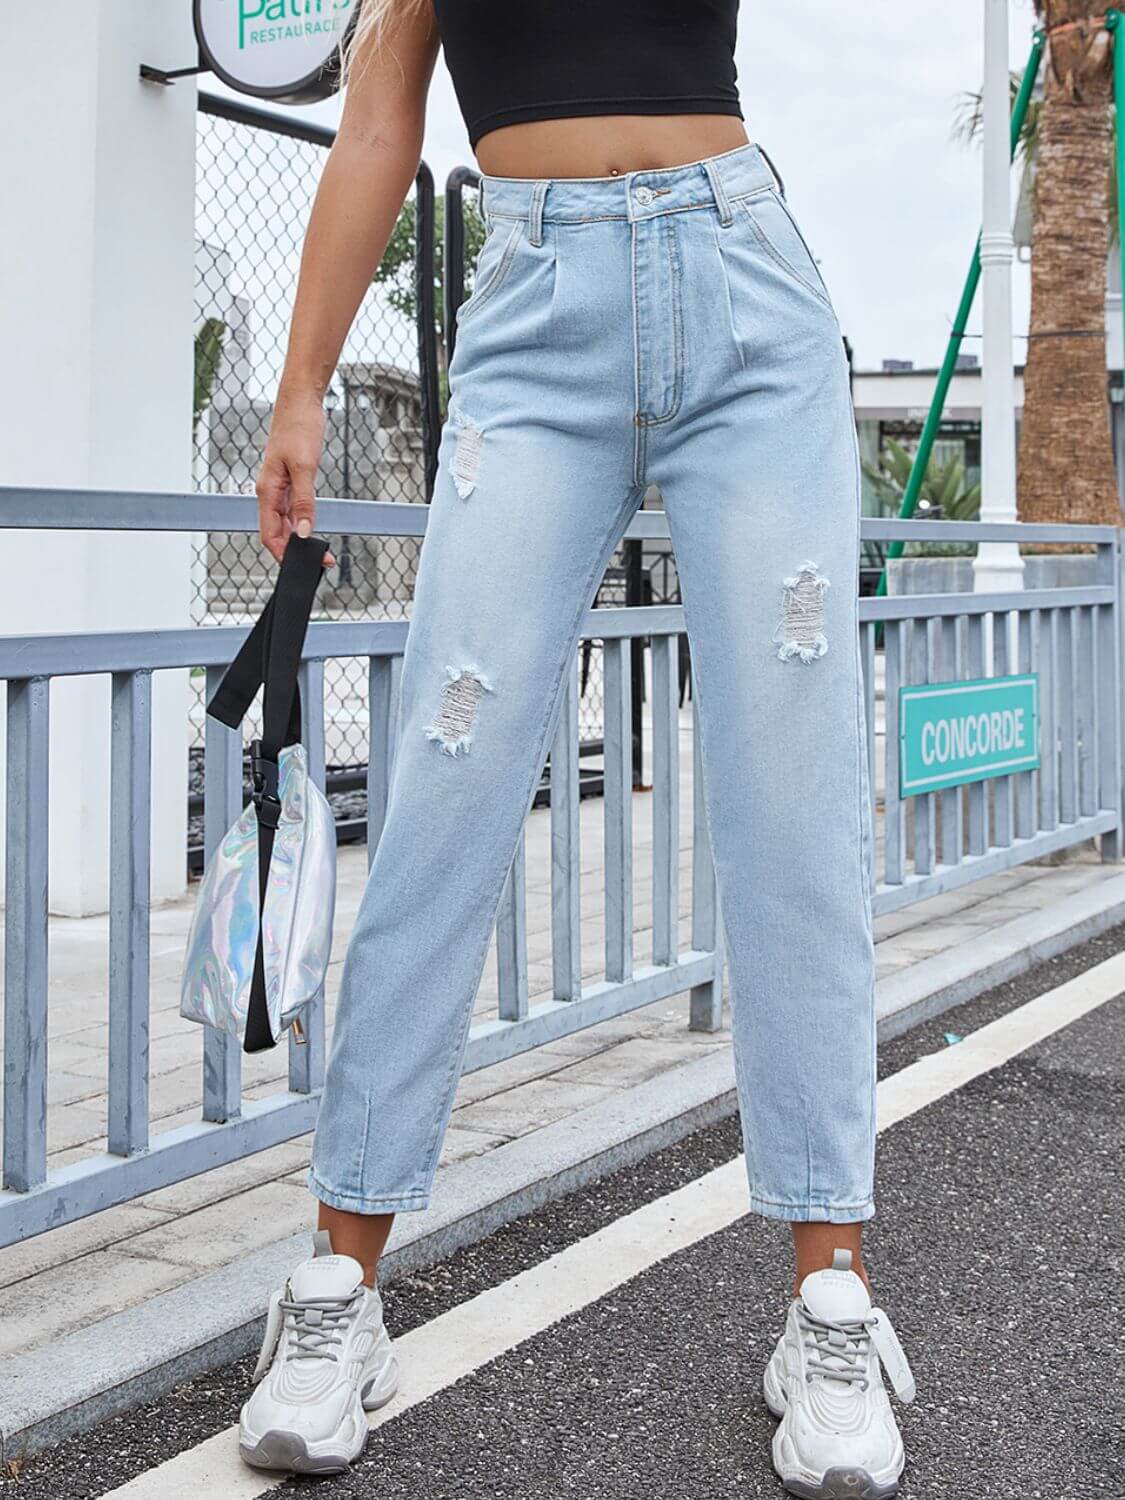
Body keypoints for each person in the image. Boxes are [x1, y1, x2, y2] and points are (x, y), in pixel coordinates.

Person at [240, 1, 915, 1494]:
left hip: (745, 289)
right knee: (446, 781)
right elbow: (375, 122)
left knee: (792, 794)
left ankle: (829, 1294)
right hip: (537, 309)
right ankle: (340, 1287)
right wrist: (298, 383)